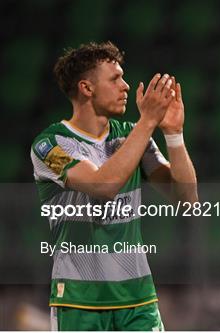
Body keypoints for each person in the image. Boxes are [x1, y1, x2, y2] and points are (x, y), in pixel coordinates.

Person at [30, 41, 198, 330]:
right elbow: (102, 186)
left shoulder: (131, 136)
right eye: (115, 78)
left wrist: (174, 134)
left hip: (138, 300)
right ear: (86, 88)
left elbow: (187, 201)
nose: (126, 86)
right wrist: (147, 122)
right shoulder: (50, 145)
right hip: (79, 301)